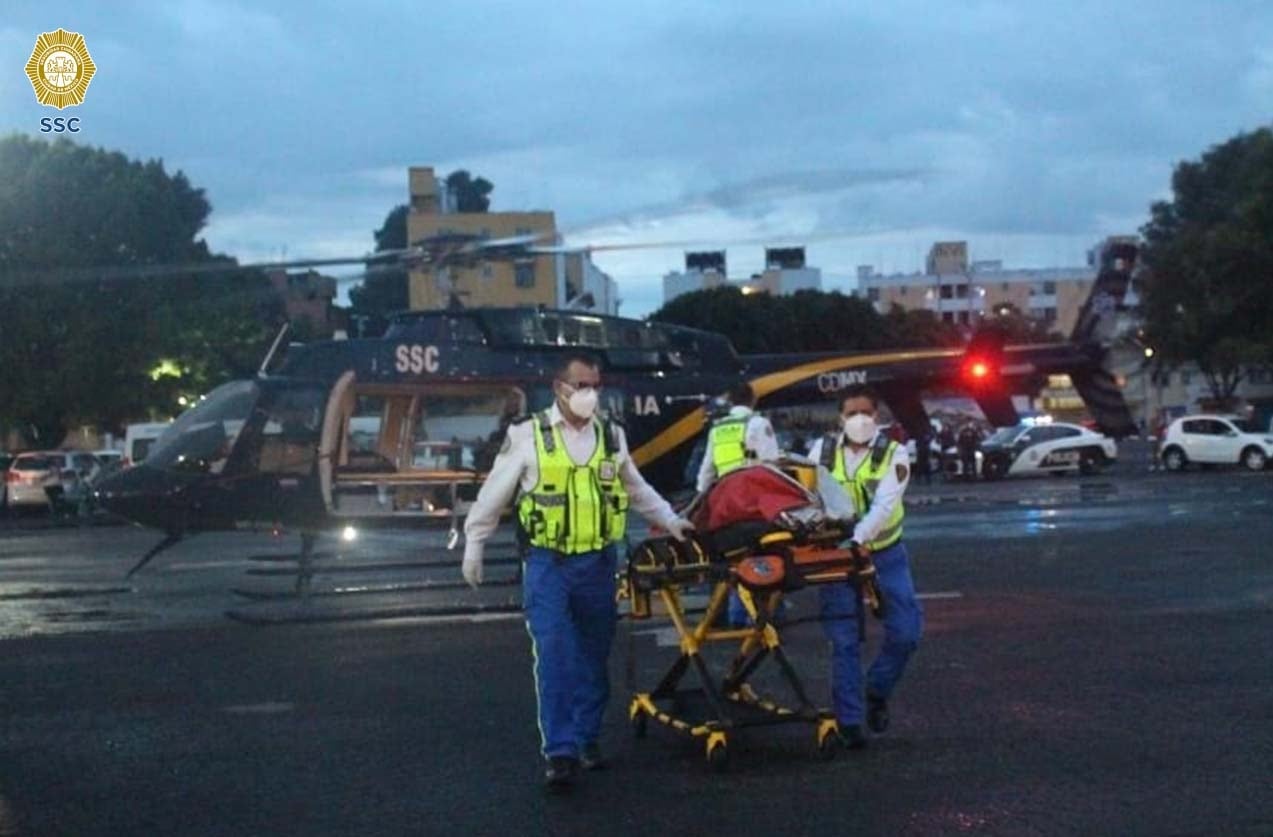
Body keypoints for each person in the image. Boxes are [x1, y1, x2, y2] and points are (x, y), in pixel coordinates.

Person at [461, 352, 695, 792]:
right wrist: (475, 543)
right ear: (559, 388)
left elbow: (635, 487)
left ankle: (587, 738)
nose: (590, 394)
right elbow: (494, 492)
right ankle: (561, 751)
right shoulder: (528, 435)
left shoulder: (611, 436)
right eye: (582, 385)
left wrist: (670, 519)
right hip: (548, 564)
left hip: (598, 563)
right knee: (553, 653)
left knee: (593, 655)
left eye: (595, 386)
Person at [806, 384, 923, 750]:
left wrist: (858, 539)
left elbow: (885, 505)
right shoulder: (821, 452)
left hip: (884, 554)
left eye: (866, 413)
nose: (859, 419)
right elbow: (808, 498)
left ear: (878, 415)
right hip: (837, 559)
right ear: (840, 418)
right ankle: (850, 721)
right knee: (844, 641)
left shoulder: (894, 453)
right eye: (851, 413)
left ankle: (876, 689)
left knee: (905, 634)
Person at [696, 382, 780, 626]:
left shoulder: (717, 429)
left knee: (730, 559)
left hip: (724, 506)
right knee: (765, 556)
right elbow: (771, 467)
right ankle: (758, 616)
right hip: (752, 505)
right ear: (753, 400)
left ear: (731, 401)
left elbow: (705, 473)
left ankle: (730, 614)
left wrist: (699, 504)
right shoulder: (759, 424)